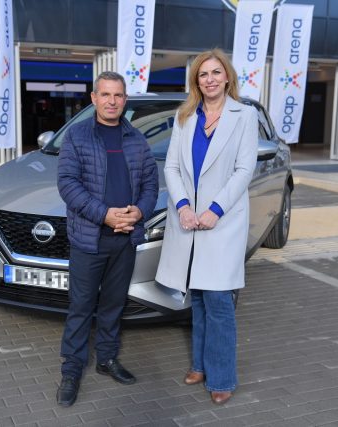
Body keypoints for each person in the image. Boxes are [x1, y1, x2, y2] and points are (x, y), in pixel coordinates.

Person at [155, 49, 258, 405]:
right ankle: (200, 365)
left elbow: (244, 170)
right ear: (195, 81)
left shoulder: (244, 116)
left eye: (216, 72)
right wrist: (183, 206)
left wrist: (215, 209)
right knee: (197, 295)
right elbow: (171, 167)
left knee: (218, 300)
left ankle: (222, 376)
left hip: (222, 221)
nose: (210, 79)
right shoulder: (185, 116)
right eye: (203, 74)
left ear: (227, 77)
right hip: (188, 220)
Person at [55, 71, 159, 407]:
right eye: (105, 94)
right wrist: (104, 215)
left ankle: (107, 358)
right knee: (81, 306)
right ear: (94, 98)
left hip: (125, 239)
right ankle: (71, 370)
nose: (111, 101)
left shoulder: (137, 139)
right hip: (89, 239)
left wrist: (139, 212)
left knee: (113, 304)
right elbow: (68, 184)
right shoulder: (77, 136)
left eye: (117, 95)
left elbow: (150, 184)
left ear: (124, 100)